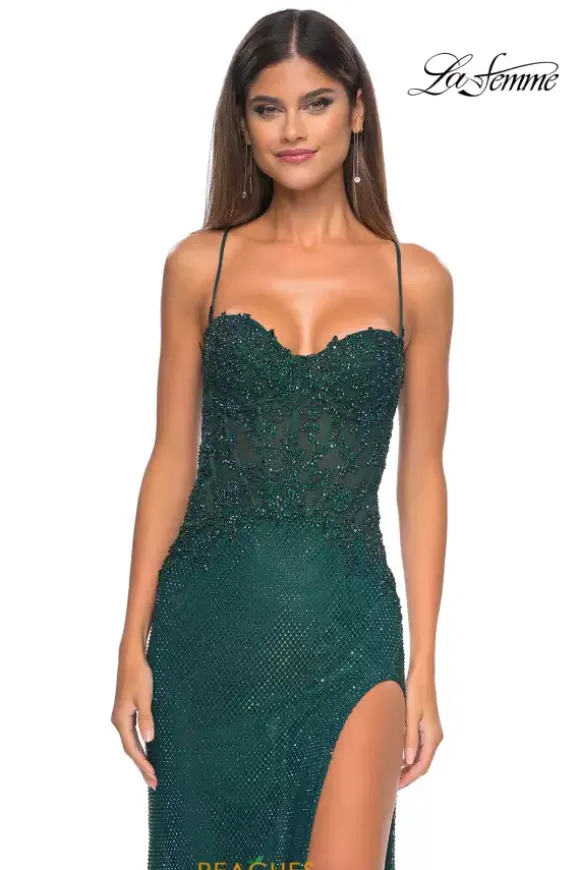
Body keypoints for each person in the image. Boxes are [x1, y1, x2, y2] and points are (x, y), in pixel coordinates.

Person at [112, 8, 452, 870]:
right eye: (269, 108)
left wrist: (425, 663)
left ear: (358, 110)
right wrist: (130, 641)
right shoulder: (200, 265)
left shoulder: (417, 280)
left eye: (316, 103)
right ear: (243, 124)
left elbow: (422, 476)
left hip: (352, 628)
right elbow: (170, 457)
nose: (293, 129)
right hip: (207, 631)